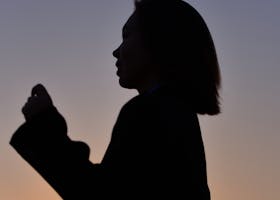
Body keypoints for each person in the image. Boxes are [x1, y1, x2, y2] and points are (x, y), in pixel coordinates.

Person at [10, 0, 221, 199]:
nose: (116, 51)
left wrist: (43, 124)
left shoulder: (147, 111)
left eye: (127, 36)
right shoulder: (178, 114)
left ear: (158, 42)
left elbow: (98, 194)